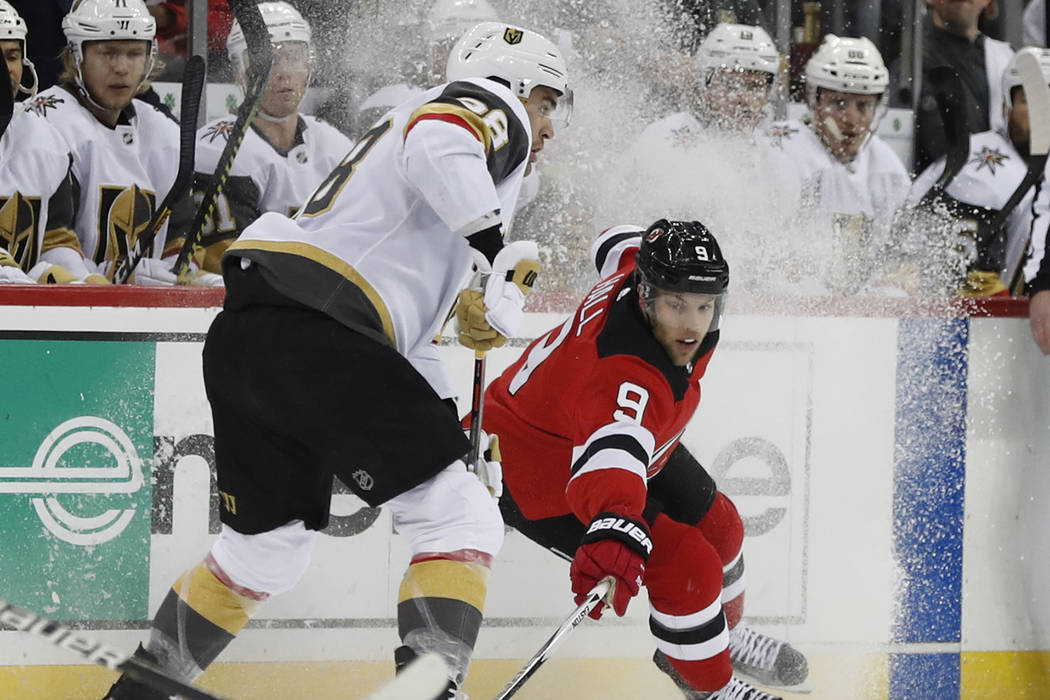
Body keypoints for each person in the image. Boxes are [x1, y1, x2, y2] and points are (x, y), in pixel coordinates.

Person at [100, 20, 570, 700]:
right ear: (513, 82)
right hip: (322, 330)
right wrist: (498, 250)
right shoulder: (487, 105)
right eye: (548, 101)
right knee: (458, 518)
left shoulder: (418, 180)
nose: (549, 126)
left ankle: (138, 693)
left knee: (263, 552)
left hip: (257, 335)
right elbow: (442, 139)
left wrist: (449, 427)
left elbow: (402, 348)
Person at [477, 219, 807, 700]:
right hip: (536, 466)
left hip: (606, 432)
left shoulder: (641, 273)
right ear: (647, 298)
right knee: (686, 566)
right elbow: (611, 460)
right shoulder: (626, 374)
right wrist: (615, 528)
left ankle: (722, 641)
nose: (693, 325)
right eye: (677, 306)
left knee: (722, 529)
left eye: (703, 306)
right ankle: (710, 688)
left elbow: (616, 242)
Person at [25, 0, 212, 285]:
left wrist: (183, 275)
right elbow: (50, 246)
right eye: (108, 53)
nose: (122, 68)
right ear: (75, 57)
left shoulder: (164, 133)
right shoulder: (43, 122)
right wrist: (111, 281)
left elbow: (178, 239)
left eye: (134, 54)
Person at [181, 1, 351, 274]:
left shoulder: (336, 145)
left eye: (294, 57)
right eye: (268, 59)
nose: (284, 71)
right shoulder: (216, 149)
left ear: (309, 63)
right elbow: (231, 267)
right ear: (240, 70)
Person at [763, 35, 910, 295]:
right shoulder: (781, 150)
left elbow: (899, 262)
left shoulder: (887, 169)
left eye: (863, 105)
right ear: (815, 102)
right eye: (839, 103)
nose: (851, 119)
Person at [907, 47, 1050, 297]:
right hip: (973, 324)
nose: (1044, 115)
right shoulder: (973, 163)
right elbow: (907, 255)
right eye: (1030, 101)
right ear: (1006, 108)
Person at [0, 0, 104, 285]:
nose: (5, 70)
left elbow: (56, 238)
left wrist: (79, 280)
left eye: (11, 56)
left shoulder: (44, 137)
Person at [913, 0, 1015, 173]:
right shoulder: (912, 57)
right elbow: (940, 143)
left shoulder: (1009, 58)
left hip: (1008, 182)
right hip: (939, 185)